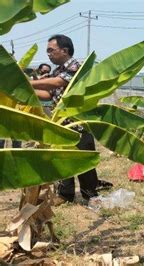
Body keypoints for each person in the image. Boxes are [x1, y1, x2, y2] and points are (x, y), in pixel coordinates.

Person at [31, 34, 98, 204]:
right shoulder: (57, 70)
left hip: (78, 122)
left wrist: (29, 83)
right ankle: (65, 194)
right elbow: (48, 94)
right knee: (62, 158)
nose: (48, 54)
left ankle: (90, 195)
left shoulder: (76, 66)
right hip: (61, 123)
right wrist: (24, 90)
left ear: (64, 50)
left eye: (51, 50)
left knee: (84, 159)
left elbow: (57, 83)